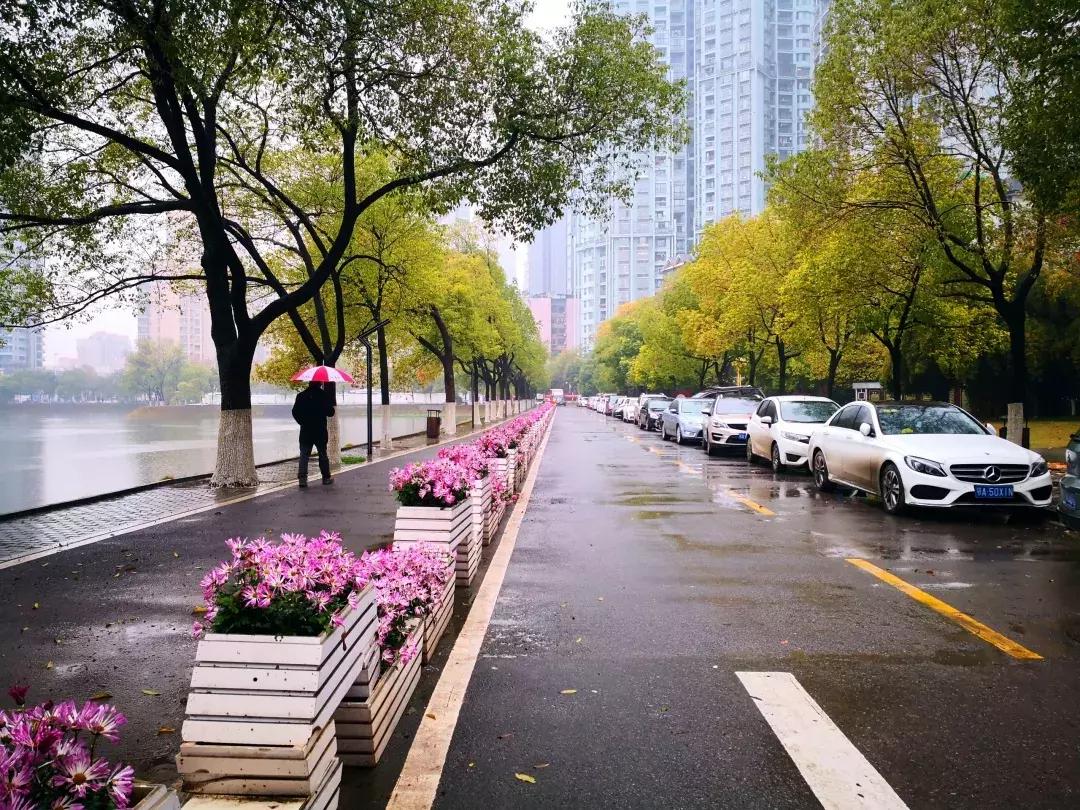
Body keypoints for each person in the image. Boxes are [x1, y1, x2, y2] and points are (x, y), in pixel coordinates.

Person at [292, 381, 336, 487]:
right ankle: (326, 478)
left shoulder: (301, 395)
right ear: (320, 384)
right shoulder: (323, 395)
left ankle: (302, 480)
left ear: (309, 383)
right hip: (320, 431)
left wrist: (302, 422)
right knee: (323, 454)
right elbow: (331, 413)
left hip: (306, 431)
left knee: (304, 455)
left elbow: (295, 412)